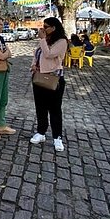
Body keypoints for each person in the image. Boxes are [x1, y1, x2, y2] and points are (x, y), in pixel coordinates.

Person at [30, 17, 68, 152]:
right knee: (40, 107)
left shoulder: (62, 41)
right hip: (39, 77)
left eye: (46, 27)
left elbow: (49, 54)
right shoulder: (45, 40)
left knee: (55, 109)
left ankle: (57, 136)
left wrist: (42, 39)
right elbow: (37, 54)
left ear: (54, 28)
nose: (43, 29)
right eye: (43, 26)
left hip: (53, 78)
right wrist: (33, 65)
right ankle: (41, 132)